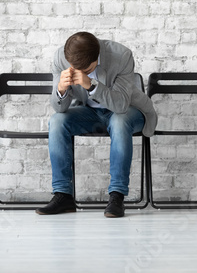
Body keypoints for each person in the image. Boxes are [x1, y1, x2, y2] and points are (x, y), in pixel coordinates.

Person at [36, 32, 157, 218]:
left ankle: (117, 196)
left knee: (119, 120)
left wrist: (90, 84)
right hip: (90, 113)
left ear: (97, 57)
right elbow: (59, 108)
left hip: (129, 110)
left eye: (87, 69)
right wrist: (60, 90)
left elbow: (120, 105)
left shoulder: (122, 56)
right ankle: (63, 195)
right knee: (57, 121)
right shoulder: (60, 57)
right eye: (78, 70)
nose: (81, 72)